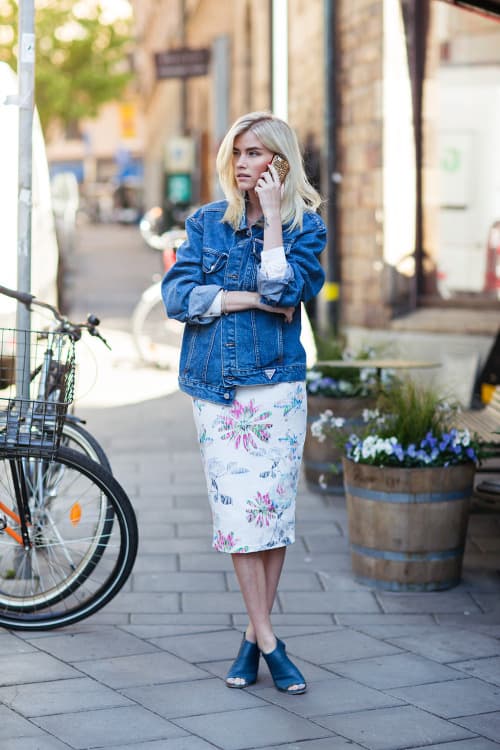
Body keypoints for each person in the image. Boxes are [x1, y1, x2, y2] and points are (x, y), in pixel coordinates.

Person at [162, 111, 326, 695]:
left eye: (256, 153)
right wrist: (246, 299)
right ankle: (271, 642)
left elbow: (290, 290)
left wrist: (277, 223)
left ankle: (253, 637)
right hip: (219, 391)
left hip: (278, 389)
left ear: (279, 162)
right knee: (238, 519)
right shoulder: (207, 222)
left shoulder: (307, 228)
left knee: (271, 516)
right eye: (237, 152)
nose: (243, 163)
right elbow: (178, 297)